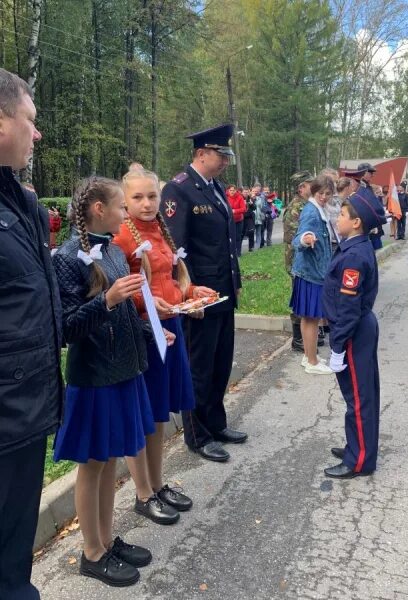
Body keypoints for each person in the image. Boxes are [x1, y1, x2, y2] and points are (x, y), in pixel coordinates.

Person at [52, 176, 175, 586]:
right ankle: (91, 553)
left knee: (111, 463)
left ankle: (105, 540)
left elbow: (124, 317)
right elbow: (68, 329)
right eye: (122, 207)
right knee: (92, 466)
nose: (127, 214)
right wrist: (106, 300)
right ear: (98, 210)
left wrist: (153, 333)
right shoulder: (68, 257)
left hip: (124, 370)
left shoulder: (115, 251)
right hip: (94, 379)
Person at [114, 169, 216, 523]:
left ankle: (157, 485)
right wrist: (145, 311)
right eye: (138, 198)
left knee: (158, 415)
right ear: (124, 202)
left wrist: (191, 293)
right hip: (144, 332)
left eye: (152, 196)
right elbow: (115, 295)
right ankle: (142, 492)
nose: (146, 204)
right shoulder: (120, 237)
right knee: (143, 417)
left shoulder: (160, 229)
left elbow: (166, 280)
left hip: (170, 325)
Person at [0, 68, 62, 600]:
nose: (36, 134)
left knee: (12, 559)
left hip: (23, 412)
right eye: (30, 120)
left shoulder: (18, 202)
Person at [160, 124, 246, 463]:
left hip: (222, 291)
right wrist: (186, 297)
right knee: (199, 366)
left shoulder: (216, 188)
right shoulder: (179, 191)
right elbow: (175, 251)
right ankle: (197, 436)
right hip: (199, 297)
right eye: (220, 154)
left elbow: (226, 243)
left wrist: (235, 280)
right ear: (201, 154)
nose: (225, 160)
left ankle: (216, 423)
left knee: (220, 362)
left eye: (226, 155)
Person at [322, 187, 387, 479]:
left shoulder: (354, 256)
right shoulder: (355, 247)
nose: (338, 218)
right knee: (361, 393)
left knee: (358, 397)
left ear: (357, 222)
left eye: (343, 215)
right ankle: (359, 445)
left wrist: (337, 346)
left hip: (352, 331)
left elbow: (348, 306)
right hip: (357, 327)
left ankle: (359, 460)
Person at [290, 174, 335, 375]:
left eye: (328, 194)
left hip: (312, 272)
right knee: (311, 319)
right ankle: (312, 361)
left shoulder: (319, 209)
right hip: (311, 273)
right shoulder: (311, 212)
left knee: (309, 319)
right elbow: (298, 238)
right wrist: (306, 239)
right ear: (313, 191)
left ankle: (308, 355)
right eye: (321, 193)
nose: (324, 197)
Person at [283, 170, 314, 351]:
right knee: (298, 296)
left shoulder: (307, 205)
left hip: (304, 260)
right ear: (302, 187)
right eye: (311, 184)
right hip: (296, 260)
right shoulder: (297, 207)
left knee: (305, 295)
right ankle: (298, 338)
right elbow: (296, 237)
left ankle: (306, 334)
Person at [226, 184, 246, 257]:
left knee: (238, 237)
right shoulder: (225, 197)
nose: (232, 192)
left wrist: (234, 211)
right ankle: (231, 252)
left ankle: (238, 252)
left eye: (233, 190)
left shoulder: (239, 197)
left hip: (239, 220)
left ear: (236, 190)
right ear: (228, 190)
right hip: (230, 220)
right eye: (230, 190)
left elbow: (243, 209)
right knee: (231, 236)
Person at [241, 186, 256, 252]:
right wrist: (243, 204)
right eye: (244, 192)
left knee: (251, 231)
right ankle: (238, 248)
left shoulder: (251, 198)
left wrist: (252, 204)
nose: (246, 193)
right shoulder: (240, 198)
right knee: (241, 233)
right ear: (242, 192)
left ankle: (251, 247)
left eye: (247, 192)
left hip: (249, 217)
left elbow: (254, 208)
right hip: (242, 218)